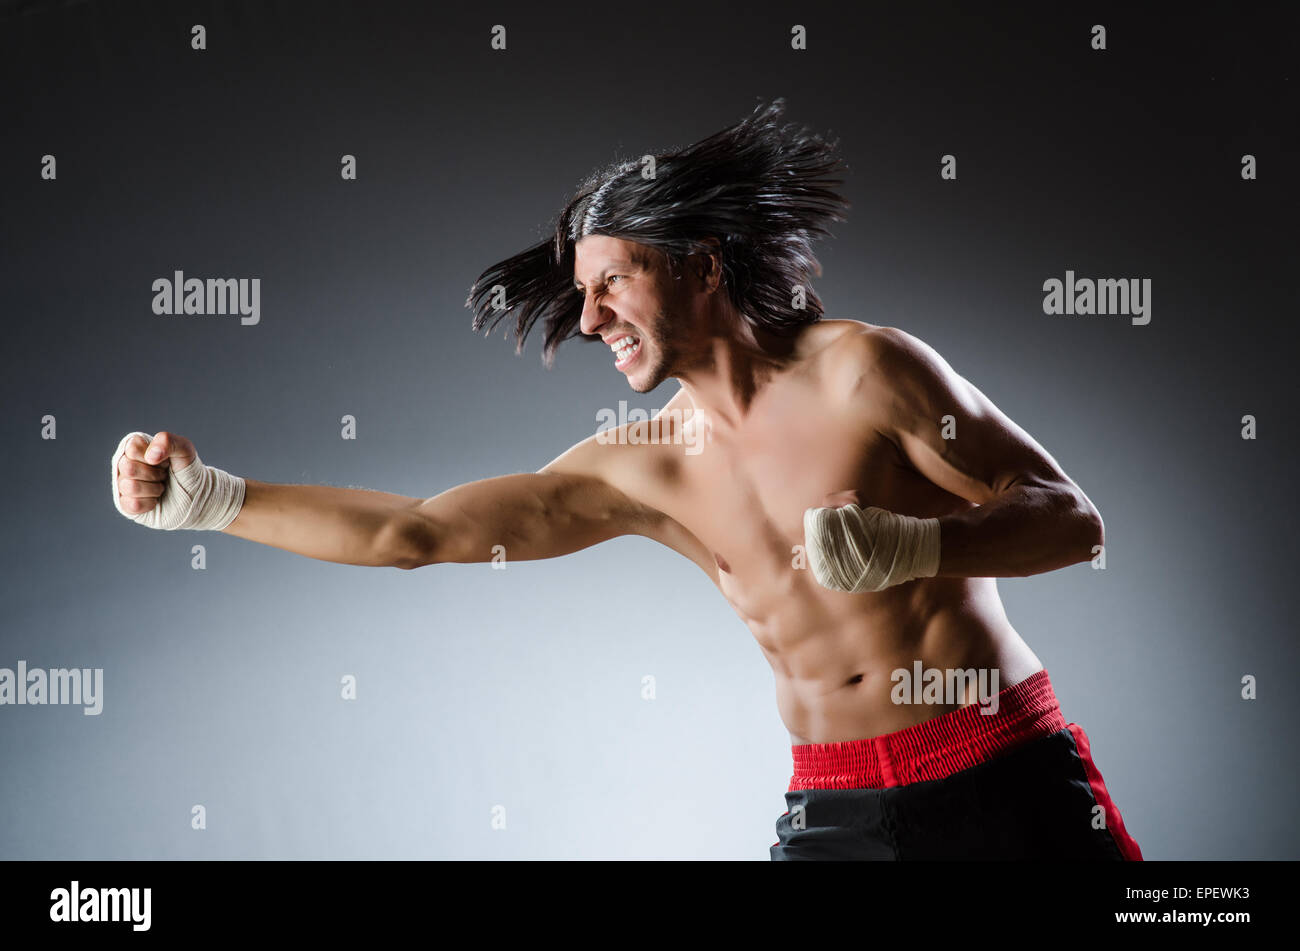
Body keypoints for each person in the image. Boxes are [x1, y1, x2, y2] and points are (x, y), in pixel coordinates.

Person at [111, 99, 1142, 860]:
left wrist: (922, 545)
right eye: (583, 295)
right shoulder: (639, 467)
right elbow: (415, 535)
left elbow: (1072, 522)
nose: (592, 318)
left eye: (610, 284)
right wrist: (209, 501)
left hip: (998, 774)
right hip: (835, 811)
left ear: (698, 265)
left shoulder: (864, 371)